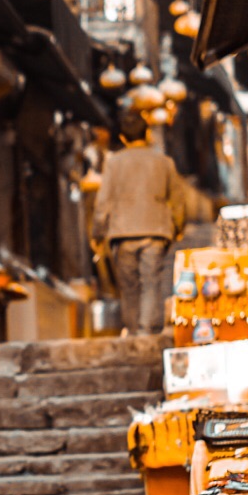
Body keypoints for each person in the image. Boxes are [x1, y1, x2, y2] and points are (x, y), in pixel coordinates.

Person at [93, 112, 187, 335]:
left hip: (122, 233)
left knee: (129, 286)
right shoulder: (164, 162)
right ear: (146, 134)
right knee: (151, 283)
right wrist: (177, 227)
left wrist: (97, 233)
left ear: (123, 138)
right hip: (155, 231)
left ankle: (135, 332)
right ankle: (147, 333)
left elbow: (103, 202)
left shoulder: (114, 164)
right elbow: (177, 200)